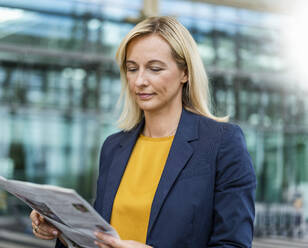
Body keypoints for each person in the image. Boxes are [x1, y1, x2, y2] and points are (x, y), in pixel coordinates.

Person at [30, 16, 256, 248]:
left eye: (154, 68)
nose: (139, 81)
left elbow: (233, 244)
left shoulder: (220, 143)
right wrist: (62, 231)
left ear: (185, 73)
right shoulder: (113, 147)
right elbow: (97, 237)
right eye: (132, 68)